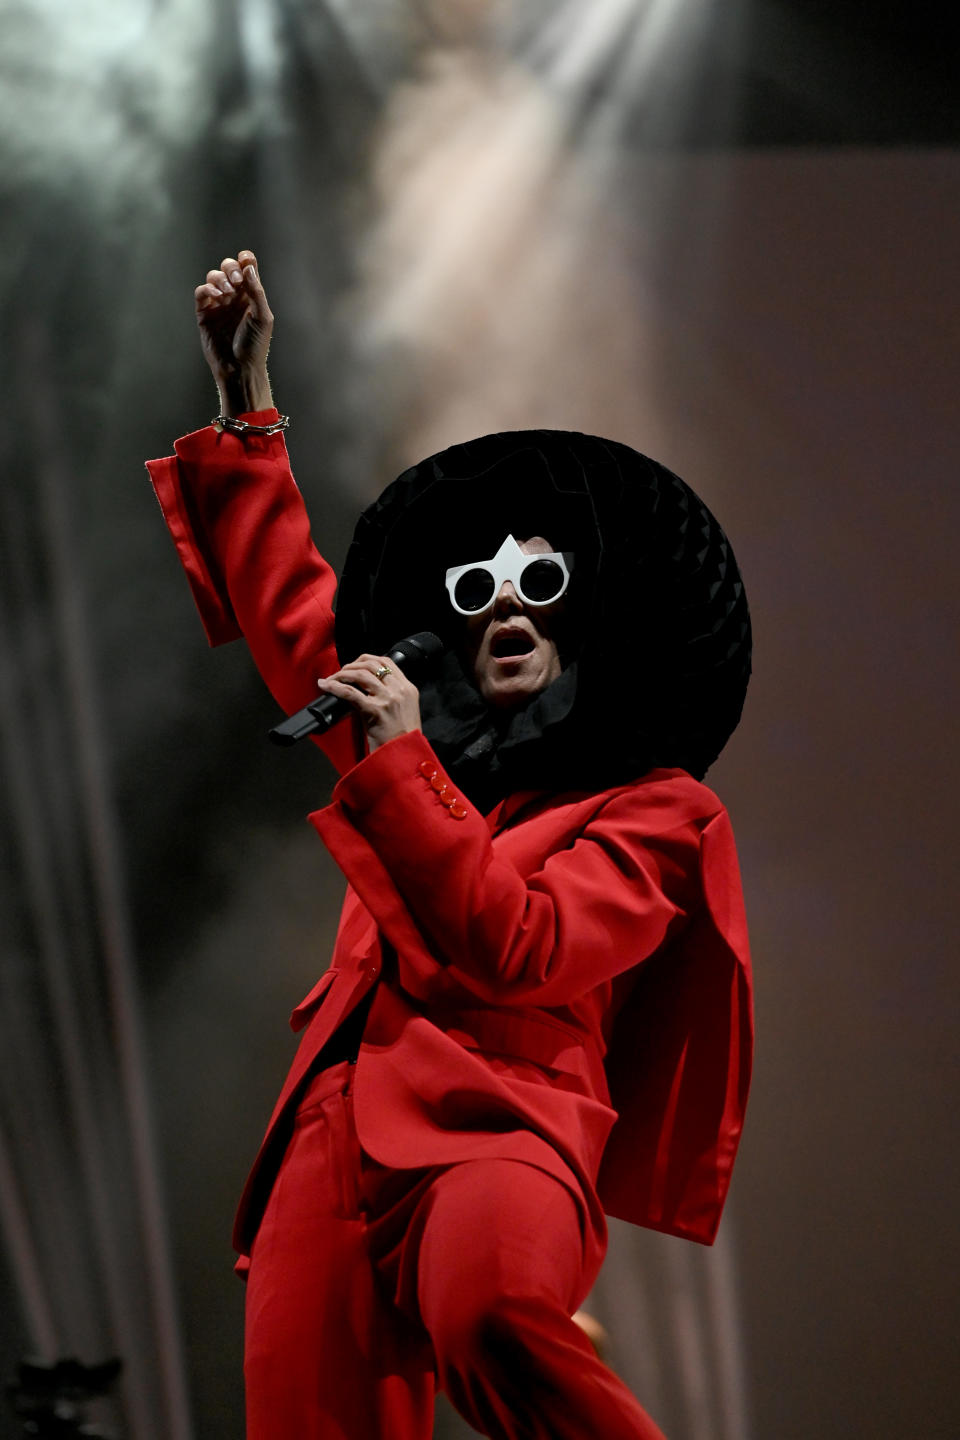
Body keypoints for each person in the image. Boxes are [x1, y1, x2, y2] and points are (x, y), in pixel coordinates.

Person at [146, 251, 754, 1440]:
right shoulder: (416, 751)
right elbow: (289, 609)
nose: (504, 604)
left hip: (506, 1121)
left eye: (538, 582)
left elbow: (520, 947)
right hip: (332, 1129)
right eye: (479, 588)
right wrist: (245, 405)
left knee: (491, 1317)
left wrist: (402, 764)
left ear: (584, 621)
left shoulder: (659, 808)